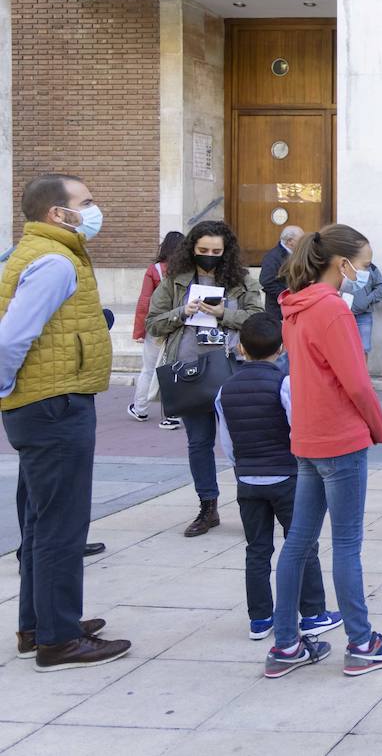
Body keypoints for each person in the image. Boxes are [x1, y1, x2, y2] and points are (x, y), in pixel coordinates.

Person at [266, 224, 382, 679]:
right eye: (363, 265)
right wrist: (380, 427)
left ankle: (286, 645)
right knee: (346, 544)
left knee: (297, 543)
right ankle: (362, 641)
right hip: (339, 437)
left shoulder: (296, 305)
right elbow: (356, 382)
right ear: (341, 263)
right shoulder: (330, 309)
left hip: (308, 435)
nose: (364, 274)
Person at [0, 173, 131, 670]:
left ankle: (39, 626)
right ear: (59, 213)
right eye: (88, 202)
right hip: (54, 405)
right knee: (61, 524)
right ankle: (58, 639)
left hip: (47, 402)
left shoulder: (41, 252)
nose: (95, 210)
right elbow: (10, 339)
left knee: (40, 520)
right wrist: (9, 386)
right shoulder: (54, 261)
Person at [214, 312, 343, 642]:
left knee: (256, 549)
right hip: (286, 478)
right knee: (301, 545)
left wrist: (242, 468)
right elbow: (296, 428)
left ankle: (259, 619)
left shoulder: (224, 390)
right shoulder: (284, 383)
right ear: (282, 348)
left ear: (240, 348)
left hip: (248, 480)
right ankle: (313, 613)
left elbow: (227, 441)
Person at [145, 220, 265, 538]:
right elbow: (153, 323)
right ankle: (207, 506)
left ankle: (254, 507)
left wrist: (224, 313)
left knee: (243, 443)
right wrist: (182, 312)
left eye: (216, 251)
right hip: (190, 373)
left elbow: (257, 317)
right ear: (192, 250)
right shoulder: (174, 281)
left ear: (226, 252)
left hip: (233, 371)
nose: (209, 256)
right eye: (202, 251)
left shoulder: (240, 280)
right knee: (199, 442)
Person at [129, 229, 184, 430]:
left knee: (149, 369)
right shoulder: (188, 270)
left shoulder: (155, 270)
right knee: (176, 370)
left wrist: (139, 331)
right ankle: (173, 415)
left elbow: (145, 302)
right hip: (180, 324)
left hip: (158, 326)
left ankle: (140, 408)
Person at [342, 259, 382, 355]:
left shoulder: (370, 267)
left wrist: (367, 300)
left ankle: (362, 370)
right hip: (343, 315)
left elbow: (381, 287)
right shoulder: (341, 264)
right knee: (344, 349)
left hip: (364, 316)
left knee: (364, 349)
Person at [260, 225, 303, 322]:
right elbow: (266, 281)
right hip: (278, 311)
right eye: (300, 240)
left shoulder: (297, 255)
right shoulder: (273, 256)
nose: (303, 243)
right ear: (290, 241)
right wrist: (287, 296)